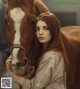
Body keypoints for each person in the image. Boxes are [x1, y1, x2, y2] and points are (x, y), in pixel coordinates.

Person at [6, 12, 70, 89]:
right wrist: (30, 75)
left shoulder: (50, 56)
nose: (40, 33)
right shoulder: (55, 52)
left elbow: (35, 87)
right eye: (37, 29)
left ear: (54, 30)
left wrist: (12, 73)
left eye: (45, 28)